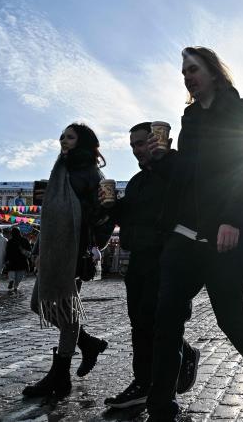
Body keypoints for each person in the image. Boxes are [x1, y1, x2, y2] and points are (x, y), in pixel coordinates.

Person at [146, 47, 243, 421]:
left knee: (231, 316)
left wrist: (233, 219)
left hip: (225, 234)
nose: (187, 77)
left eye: (193, 69)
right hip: (184, 235)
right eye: (183, 72)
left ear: (213, 71)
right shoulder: (189, 121)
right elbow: (190, 178)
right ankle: (160, 408)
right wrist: (161, 162)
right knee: (166, 320)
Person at [102, 122, 199, 409]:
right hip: (139, 258)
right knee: (140, 324)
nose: (137, 150)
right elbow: (128, 214)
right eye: (132, 145)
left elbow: (191, 198)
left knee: (162, 325)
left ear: (159, 141)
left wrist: (165, 160)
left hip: (168, 256)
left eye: (142, 143)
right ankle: (143, 382)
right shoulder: (136, 181)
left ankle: (159, 390)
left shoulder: (177, 168)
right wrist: (110, 207)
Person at [23, 123, 113, 400]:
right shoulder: (60, 169)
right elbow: (49, 217)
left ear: (83, 141)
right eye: (62, 136)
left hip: (73, 250)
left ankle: (60, 375)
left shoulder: (90, 172)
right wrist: (39, 249)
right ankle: (88, 344)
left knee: (65, 309)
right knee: (39, 304)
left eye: (70, 137)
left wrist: (92, 243)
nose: (63, 140)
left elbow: (102, 214)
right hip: (53, 250)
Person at [5, 226, 31, 293]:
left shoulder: (10, 241)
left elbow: (7, 252)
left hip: (12, 262)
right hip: (22, 262)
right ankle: (16, 287)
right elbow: (29, 251)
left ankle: (11, 280)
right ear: (20, 232)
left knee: (12, 274)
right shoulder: (25, 240)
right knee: (19, 276)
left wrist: (6, 260)